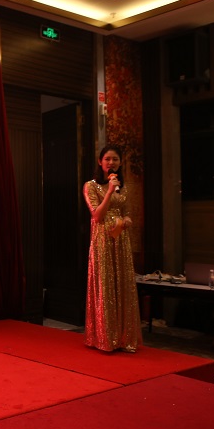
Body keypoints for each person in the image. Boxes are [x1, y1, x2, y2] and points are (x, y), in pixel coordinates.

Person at [83, 145, 141, 353]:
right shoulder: (90, 186)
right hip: (102, 240)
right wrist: (108, 191)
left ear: (120, 162)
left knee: (122, 284)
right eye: (107, 159)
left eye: (115, 159)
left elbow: (126, 211)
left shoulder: (123, 187)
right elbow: (97, 215)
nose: (111, 163)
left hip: (121, 240)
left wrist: (127, 219)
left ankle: (124, 337)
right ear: (100, 162)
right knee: (105, 285)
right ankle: (105, 337)